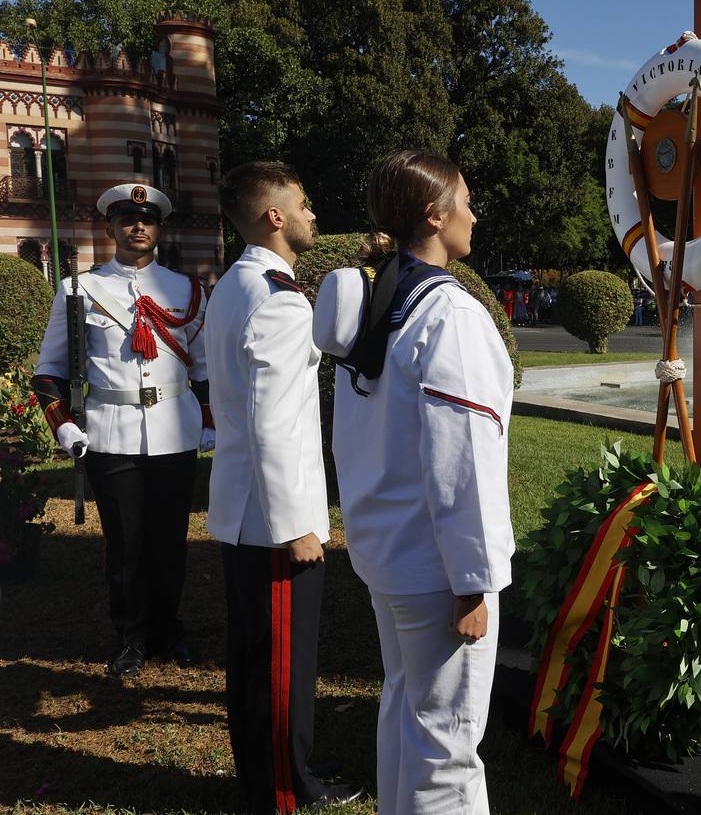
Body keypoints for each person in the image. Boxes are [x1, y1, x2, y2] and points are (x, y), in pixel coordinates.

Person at [313, 150, 513, 815]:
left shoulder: (380, 301)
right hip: (436, 568)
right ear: (435, 215)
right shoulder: (449, 314)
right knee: (447, 752)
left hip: (389, 556)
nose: (474, 216)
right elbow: (464, 462)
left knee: (406, 714)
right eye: (465, 201)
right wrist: (474, 579)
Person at [205, 162, 354, 813]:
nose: (312, 215)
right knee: (281, 667)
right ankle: (284, 793)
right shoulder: (278, 298)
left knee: (254, 660)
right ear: (275, 216)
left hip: (244, 510)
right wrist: (297, 522)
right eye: (303, 203)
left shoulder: (236, 285)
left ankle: (266, 779)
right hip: (274, 518)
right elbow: (271, 421)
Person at [32, 182, 211, 677]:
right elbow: (49, 371)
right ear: (110, 226)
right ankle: (130, 636)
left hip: (174, 430)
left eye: (147, 219)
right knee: (126, 541)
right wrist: (64, 426)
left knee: (171, 538)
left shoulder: (186, 290)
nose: (138, 227)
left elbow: (205, 370)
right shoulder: (79, 291)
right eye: (128, 219)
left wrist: (211, 421)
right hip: (111, 433)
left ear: (158, 228)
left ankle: (169, 628)